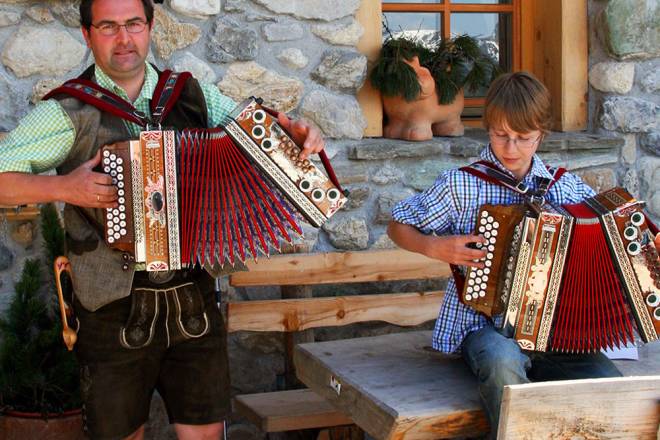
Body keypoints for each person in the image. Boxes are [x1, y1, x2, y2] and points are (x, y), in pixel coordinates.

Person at [0, 1, 325, 439]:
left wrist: (298, 134)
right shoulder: (67, 111)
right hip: (111, 308)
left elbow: (259, 136)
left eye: (133, 24)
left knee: (205, 435)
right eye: (109, 26)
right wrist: (62, 188)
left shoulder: (192, 95)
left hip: (194, 299)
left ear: (150, 27)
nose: (123, 38)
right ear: (87, 34)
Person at [387, 71, 660, 437]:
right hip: (485, 328)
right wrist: (434, 246)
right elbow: (397, 225)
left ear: (541, 135)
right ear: (487, 129)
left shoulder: (564, 187)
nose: (511, 148)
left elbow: (610, 238)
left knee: (608, 384)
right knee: (502, 365)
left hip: (556, 335)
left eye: (523, 138)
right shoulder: (461, 184)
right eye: (501, 135)